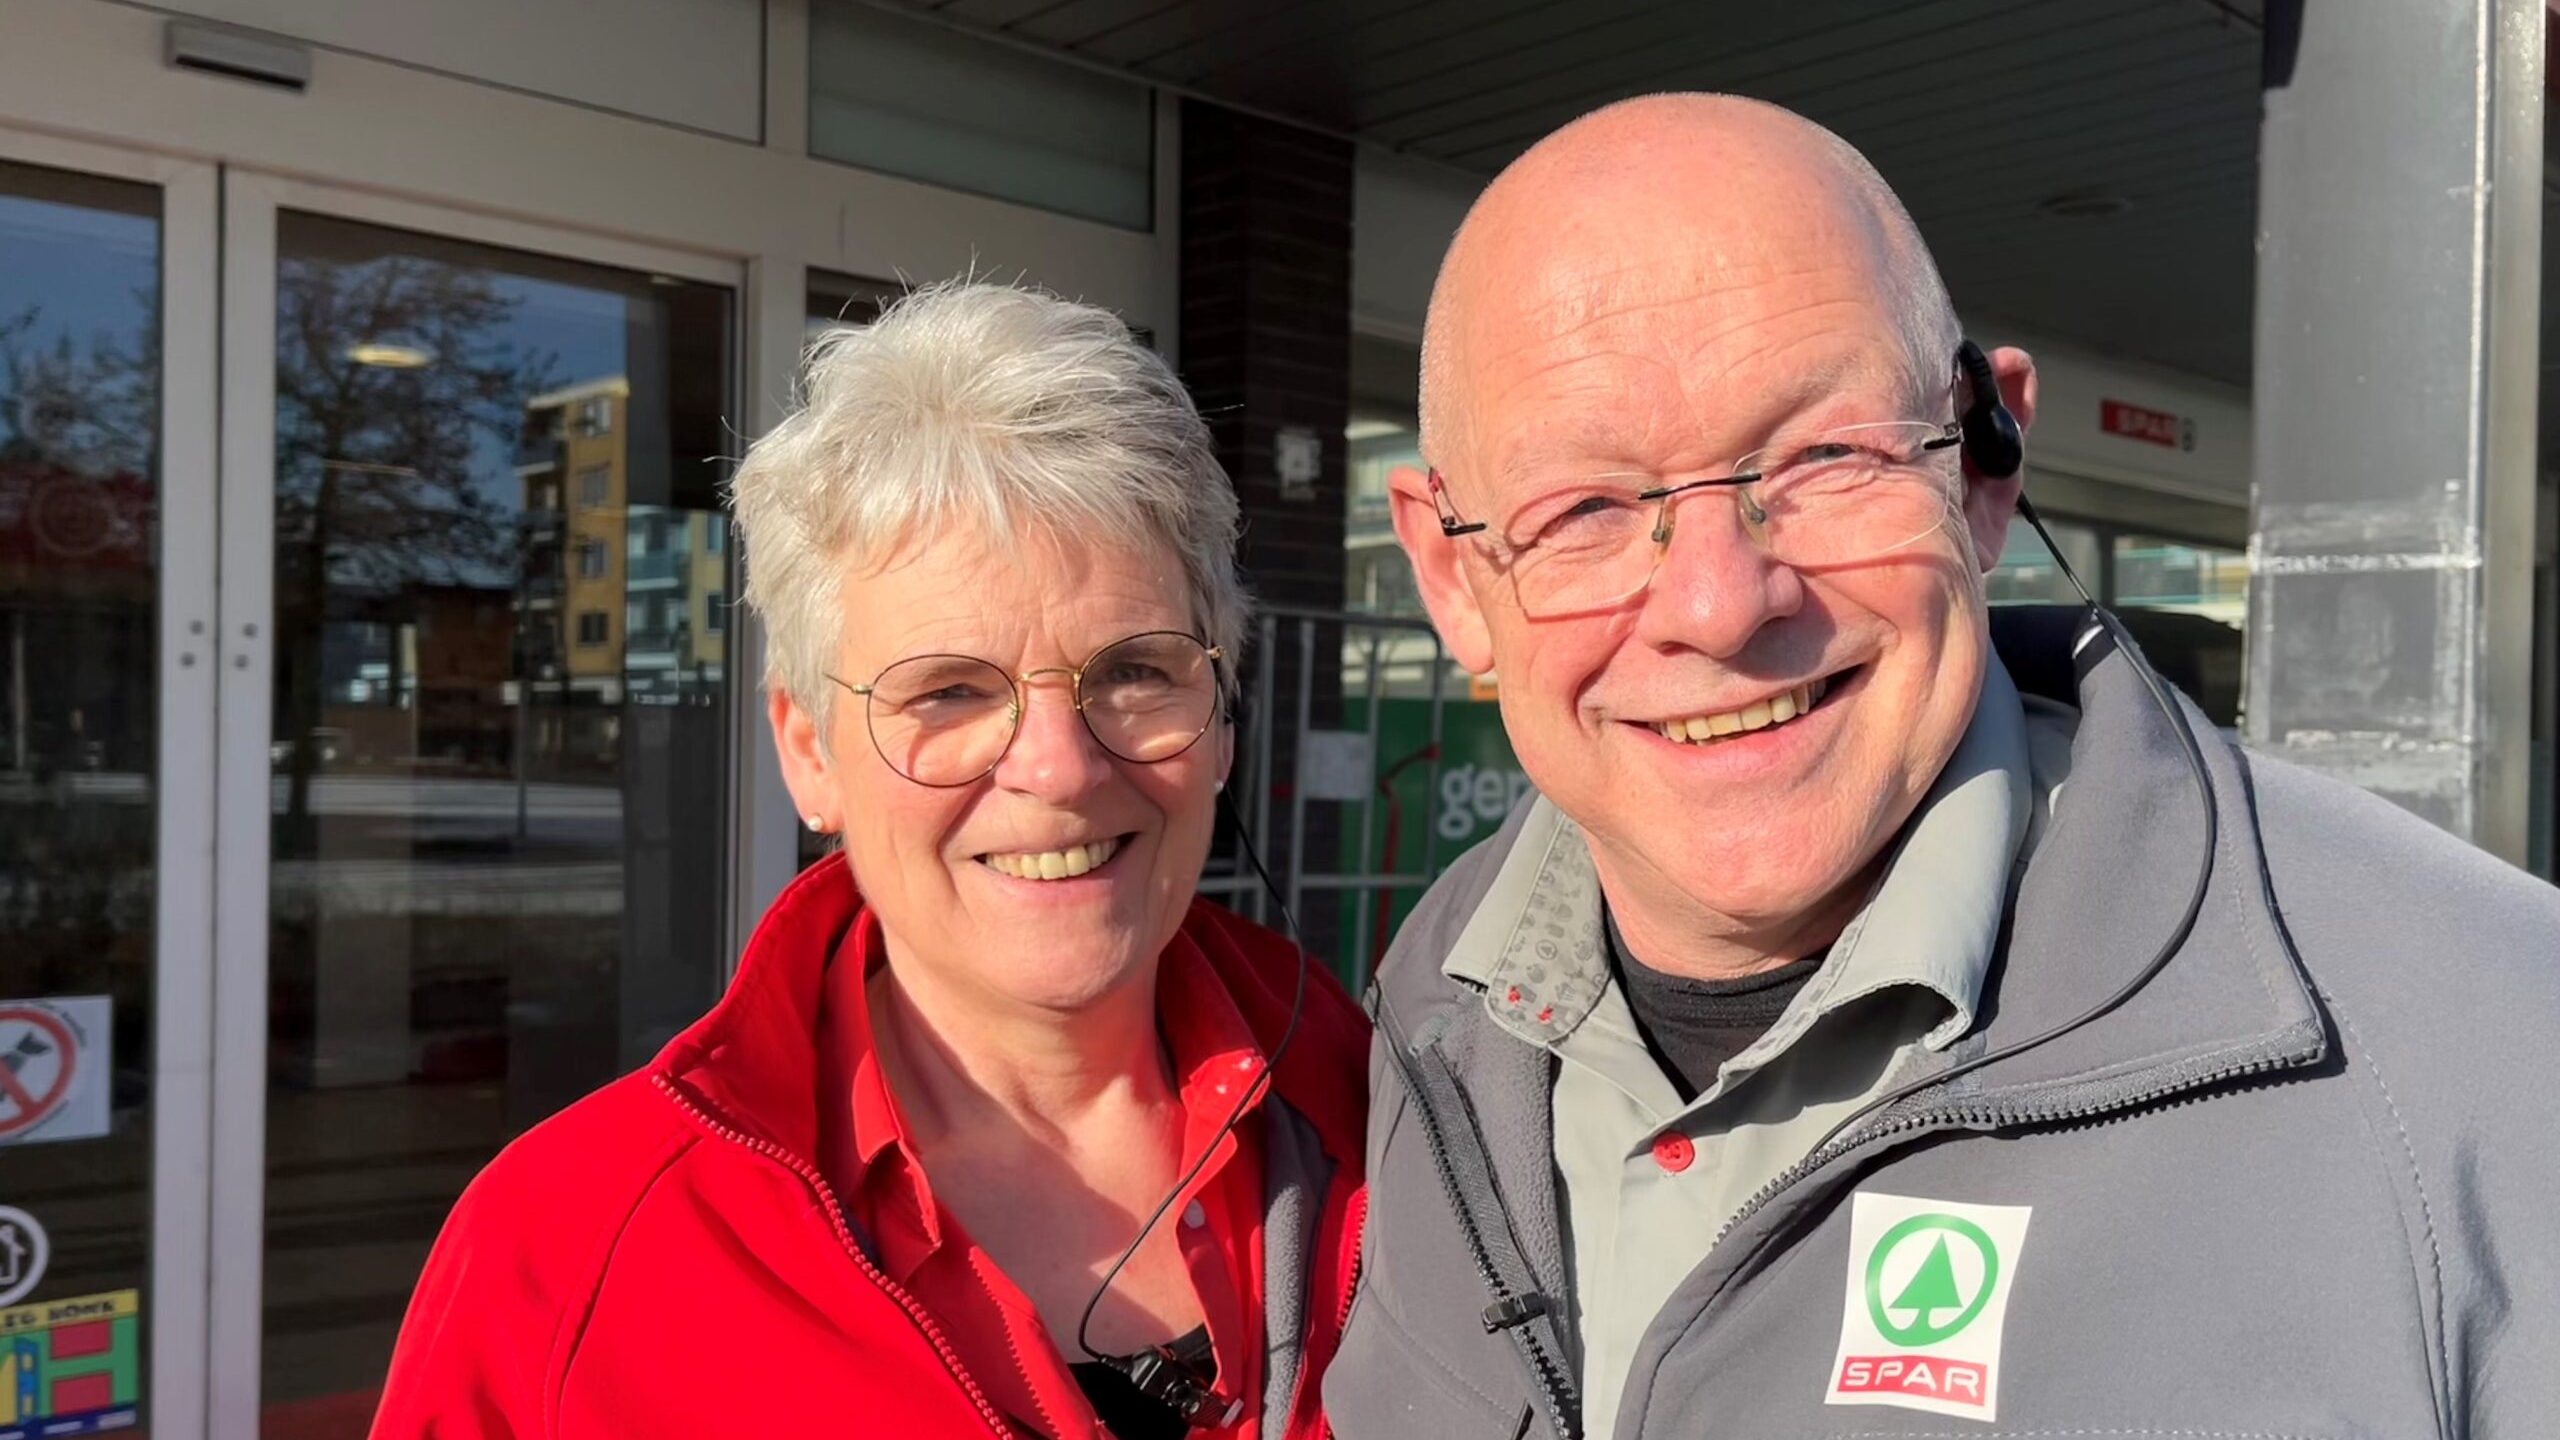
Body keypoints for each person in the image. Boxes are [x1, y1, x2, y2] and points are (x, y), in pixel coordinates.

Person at [1322, 94, 2560, 1440]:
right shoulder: (1437, 1001)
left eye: (1821, 456)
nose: (1720, 605)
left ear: (1986, 467)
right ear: (1451, 573)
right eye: (1586, 509)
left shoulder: (2490, 1044)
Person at [371, 282, 1368, 1440]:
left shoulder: (1400, 1130)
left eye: (1135, 671)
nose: (1056, 767)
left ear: (1223, 713)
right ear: (809, 751)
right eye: (948, 690)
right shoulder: (568, 1249)